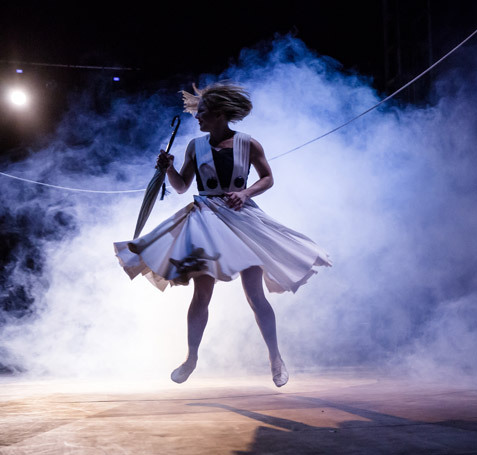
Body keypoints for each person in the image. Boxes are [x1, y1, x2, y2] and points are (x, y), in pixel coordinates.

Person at [114, 81, 331, 387]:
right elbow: (181, 187)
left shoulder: (248, 143)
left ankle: (275, 357)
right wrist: (168, 169)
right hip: (205, 220)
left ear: (218, 114)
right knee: (201, 292)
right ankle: (191, 357)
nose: (197, 118)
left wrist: (244, 194)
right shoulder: (196, 146)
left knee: (255, 294)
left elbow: (268, 178)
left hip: (242, 220)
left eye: (202, 112)